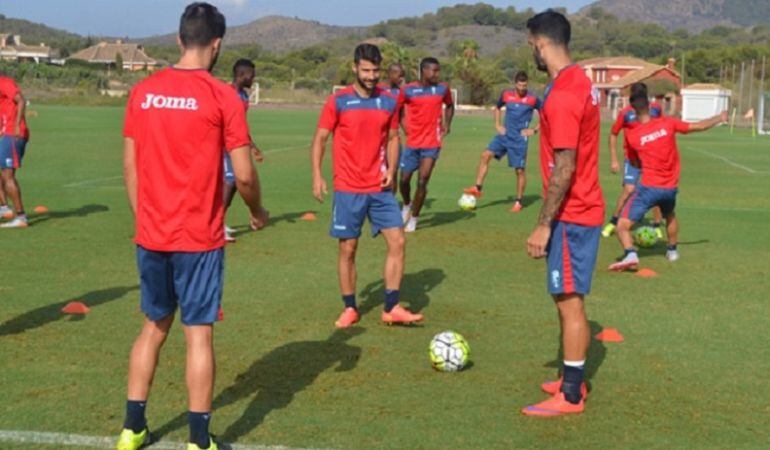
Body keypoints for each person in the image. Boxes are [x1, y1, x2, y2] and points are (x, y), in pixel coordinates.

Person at [116, 3, 269, 450]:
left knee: (152, 325)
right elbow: (242, 175)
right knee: (198, 333)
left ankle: (132, 428)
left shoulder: (143, 91)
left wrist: (143, 218)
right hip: (198, 239)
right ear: (217, 44)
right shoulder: (223, 96)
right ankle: (198, 441)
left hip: (151, 233)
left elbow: (130, 163)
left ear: (180, 39)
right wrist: (257, 212)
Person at [522, 10, 604, 417]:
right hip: (578, 211)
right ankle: (570, 377)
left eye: (530, 45)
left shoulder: (566, 93)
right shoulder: (577, 82)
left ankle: (571, 395)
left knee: (570, 301)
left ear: (541, 43)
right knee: (565, 298)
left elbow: (566, 165)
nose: (531, 53)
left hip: (573, 214)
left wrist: (543, 224)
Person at [311, 43, 423, 329]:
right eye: (366, 70)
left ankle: (392, 306)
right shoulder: (338, 101)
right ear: (354, 68)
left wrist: (393, 170)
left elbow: (394, 137)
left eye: (376, 70)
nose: (372, 76)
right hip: (348, 187)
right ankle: (350, 307)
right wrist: (317, 175)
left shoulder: (388, 100)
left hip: (380, 188)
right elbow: (321, 138)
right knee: (348, 248)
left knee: (398, 241)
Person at [608, 93, 727, 271]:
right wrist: (720, 117)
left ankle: (630, 254)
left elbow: (634, 162)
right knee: (669, 215)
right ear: (650, 106)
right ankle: (672, 251)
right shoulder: (669, 123)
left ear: (634, 110)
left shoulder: (633, 136)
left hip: (648, 187)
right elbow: (699, 126)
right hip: (670, 188)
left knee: (622, 226)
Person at [463, 71, 541, 212]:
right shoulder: (506, 94)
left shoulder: (533, 99)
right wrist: (498, 125)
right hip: (504, 136)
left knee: (519, 171)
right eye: (520, 85)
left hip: (519, 139)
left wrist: (534, 130)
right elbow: (498, 108)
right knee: (485, 155)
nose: (522, 88)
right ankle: (477, 187)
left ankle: (518, 202)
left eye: (525, 85)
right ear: (515, 84)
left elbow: (546, 114)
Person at [602, 82, 665, 238]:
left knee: (655, 192)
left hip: (652, 159)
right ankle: (613, 222)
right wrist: (614, 159)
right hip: (632, 159)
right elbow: (613, 133)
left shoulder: (655, 109)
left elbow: (662, 128)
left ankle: (656, 226)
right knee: (629, 190)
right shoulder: (625, 113)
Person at [398, 57, 454, 232]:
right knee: (404, 180)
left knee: (422, 181)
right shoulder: (408, 90)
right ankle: (407, 204)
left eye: (438, 70)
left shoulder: (442, 89)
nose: (437, 74)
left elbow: (450, 106)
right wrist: (403, 125)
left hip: (432, 142)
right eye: (434, 71)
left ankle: (414, 218)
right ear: (423, 71)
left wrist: (447, 124)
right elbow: (398, 108)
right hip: (413, 142)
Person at [223, 58, 264, 243]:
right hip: (223, 145)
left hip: (236, 145)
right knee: (231, 182)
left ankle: (217, 222)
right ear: (242, 75)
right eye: (251, 76)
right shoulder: (226, 93)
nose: (253, 79)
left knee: (231, 184)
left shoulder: (244, 97)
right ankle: (215, 226)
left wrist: (252, 146)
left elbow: (240, 126)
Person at [0, 73, 30, 228]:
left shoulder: (4, 82)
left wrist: (17, 125)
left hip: (14, 133)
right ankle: (4, 209)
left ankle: (20, 217)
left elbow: (21, 101)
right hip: (7, 133)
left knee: (8, 175)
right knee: (4, 174)